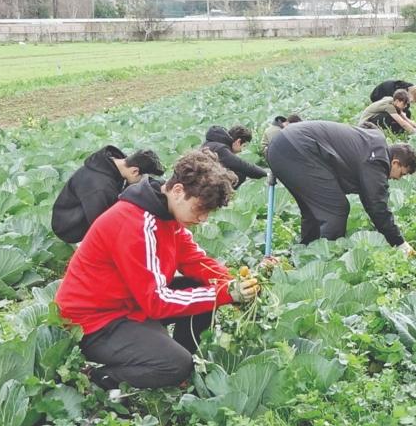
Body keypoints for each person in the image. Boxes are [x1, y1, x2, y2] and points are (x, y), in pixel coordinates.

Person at [55, 150, 261, 390]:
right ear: (177, 191)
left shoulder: (166, 214)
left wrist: (232, 283)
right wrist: (227, 294)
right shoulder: (135, 223)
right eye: (199, 209)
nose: (203, 218)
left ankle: (167, 361)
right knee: (175, 364)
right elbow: (156, 301)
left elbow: (194, 260)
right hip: (93, 322)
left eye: (209, 212)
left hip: (128, 304)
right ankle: (96, 379)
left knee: (199, 287)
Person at [266, 121, 416, 252]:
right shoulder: (377, 160)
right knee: (336, 210)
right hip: (298, 148)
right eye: (402, 174)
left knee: (313, 210)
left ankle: (306, 253)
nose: (397, 179)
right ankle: (326, 261)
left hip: (284, 145)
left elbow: (369, 198)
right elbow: (376, 205)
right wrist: (399, 242)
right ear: (395, 163)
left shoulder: (371, 145)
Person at [51, 146, 165, 244]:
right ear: (135, 171)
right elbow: (103, 227)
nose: (143, 182)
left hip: (87, 208)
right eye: (142, 179)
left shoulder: (116, 162)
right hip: (71, 226)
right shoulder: (100, 187)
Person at [202, 125, 268, 189]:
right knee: (240, 174)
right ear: (238, 141)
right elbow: (242, 166)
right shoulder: (221, 149)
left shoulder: (212, 143)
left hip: (200, 180)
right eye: (244, 146)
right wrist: (266, 174)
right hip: (201, 184)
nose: (241, 150)